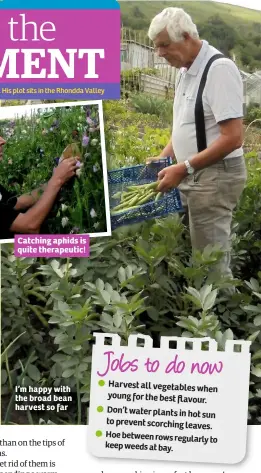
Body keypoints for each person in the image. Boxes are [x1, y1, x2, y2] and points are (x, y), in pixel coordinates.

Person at [147, 7, 247, 281]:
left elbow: (233, 137)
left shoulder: (219, 70)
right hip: (190, 172)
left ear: (187, 36)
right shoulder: (184, 70)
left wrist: (185, 167)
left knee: (210, 260)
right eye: (157, 47)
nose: (160, 53)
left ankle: (221, 315)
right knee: (186, 245)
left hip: (214, 177)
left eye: (164, 45)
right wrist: (164, 157)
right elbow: (183, 125)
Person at [0, 136, 79, 239]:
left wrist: (58, 177)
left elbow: (17, 203)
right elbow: (30, 226)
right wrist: (57, 180)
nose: (3, 141)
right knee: (81, 246)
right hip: (18, 251)